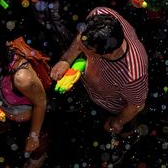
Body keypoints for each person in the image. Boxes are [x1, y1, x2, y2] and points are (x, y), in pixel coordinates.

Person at [50, 7, 148, 136]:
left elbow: (135, 106)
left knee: (117, 131)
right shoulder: (101, 15)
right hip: (90, 82)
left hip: (109, 105)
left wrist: (118, 121)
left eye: (87, 47)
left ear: (106, 54)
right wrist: (67, 60)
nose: (80, 43)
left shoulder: (133, 76)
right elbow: (82, 38)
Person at [0, 24, 47, 167]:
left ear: (0, 50)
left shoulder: (21, 77)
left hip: (32, 125)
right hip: (6, 121)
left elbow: (41, 104)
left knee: (34, 157)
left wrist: (34, 136)